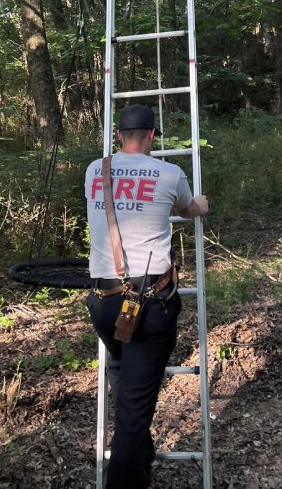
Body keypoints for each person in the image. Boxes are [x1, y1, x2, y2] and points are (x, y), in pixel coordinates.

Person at [85, 103, 208, 488]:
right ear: (153, 135)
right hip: (150, 302)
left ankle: (139, 459)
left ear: (119, 135)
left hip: (104, 301)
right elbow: (189, 209)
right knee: (134, 413)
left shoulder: (95, 169)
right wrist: (200, 206)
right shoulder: (170, 173)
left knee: (123, 376)